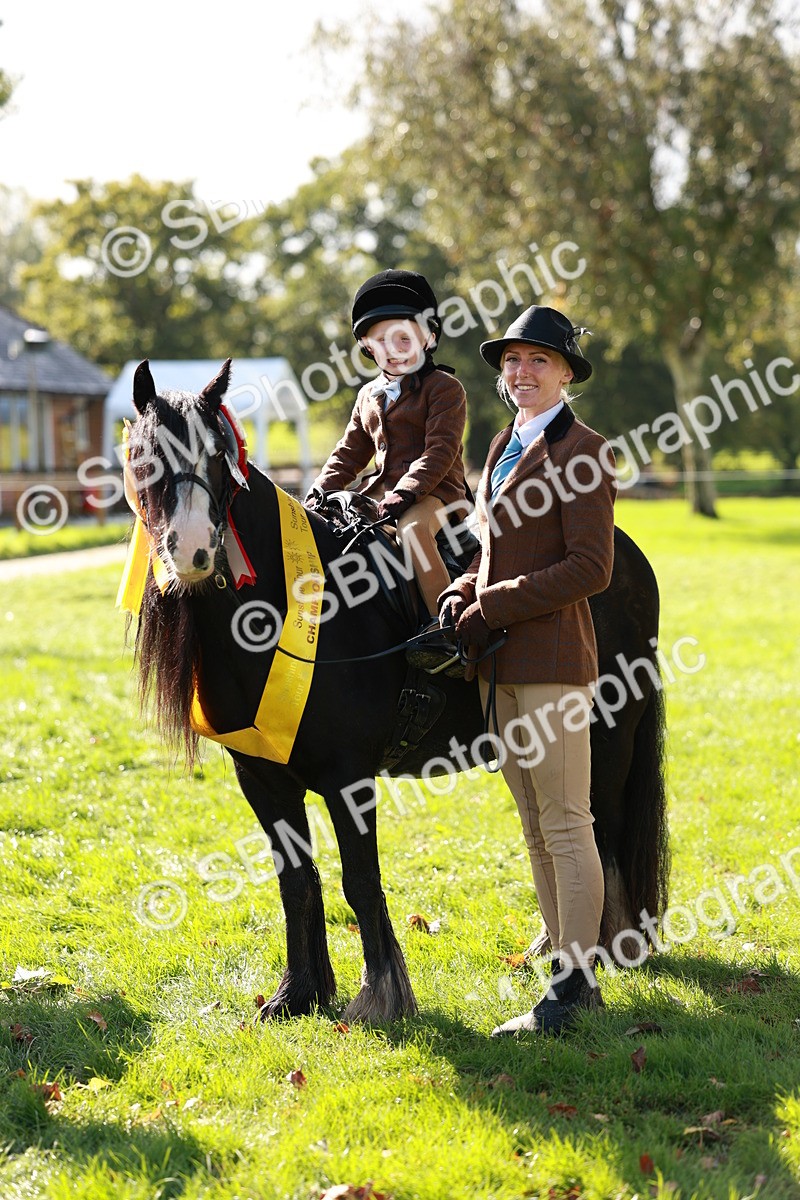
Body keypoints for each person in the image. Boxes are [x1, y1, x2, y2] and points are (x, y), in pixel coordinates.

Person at [438, 304, 616, 1036]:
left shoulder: (586, 451)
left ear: (568, 372)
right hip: (498, 662)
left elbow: (591, 567)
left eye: (539, 360)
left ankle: (572, 993)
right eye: (512, 361)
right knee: (535, 825)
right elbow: (489, 545)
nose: (522, 372)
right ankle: (563, 979)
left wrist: (494, 602)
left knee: (569, 823)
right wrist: (462, 586)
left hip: (550, 662)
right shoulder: (502, 442)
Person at [307, 269, 469, 667]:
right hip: (381, 499)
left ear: (429, 338)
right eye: (381, 341)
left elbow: (440, 451)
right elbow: (350, 451)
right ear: (366, 347)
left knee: (414, 529)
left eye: (404, 338)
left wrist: (407, 491)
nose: (393, 349)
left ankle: (446, 629)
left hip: (437, 495)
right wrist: (318, 492)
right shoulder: (368, 396)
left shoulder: (446, 390)